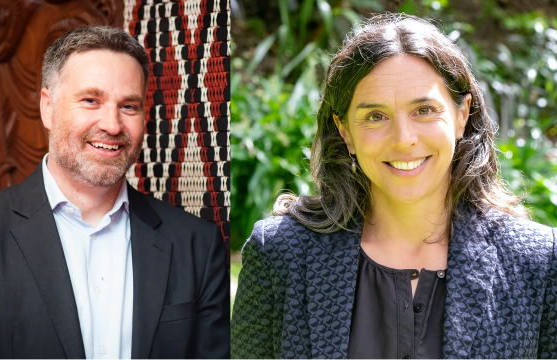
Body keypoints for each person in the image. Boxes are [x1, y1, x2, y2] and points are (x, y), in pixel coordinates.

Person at [231, 14, 557, 359]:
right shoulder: (280, 254)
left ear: (462, 116)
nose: (403, 140)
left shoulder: (538, 262)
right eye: (376, 116)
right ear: (345, 132)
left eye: (424, 110)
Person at [0, 26, 229, 359]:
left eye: (128, 106)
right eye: (90, 100)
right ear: (47, 108)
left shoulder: (197, 244)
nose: (112, 125)